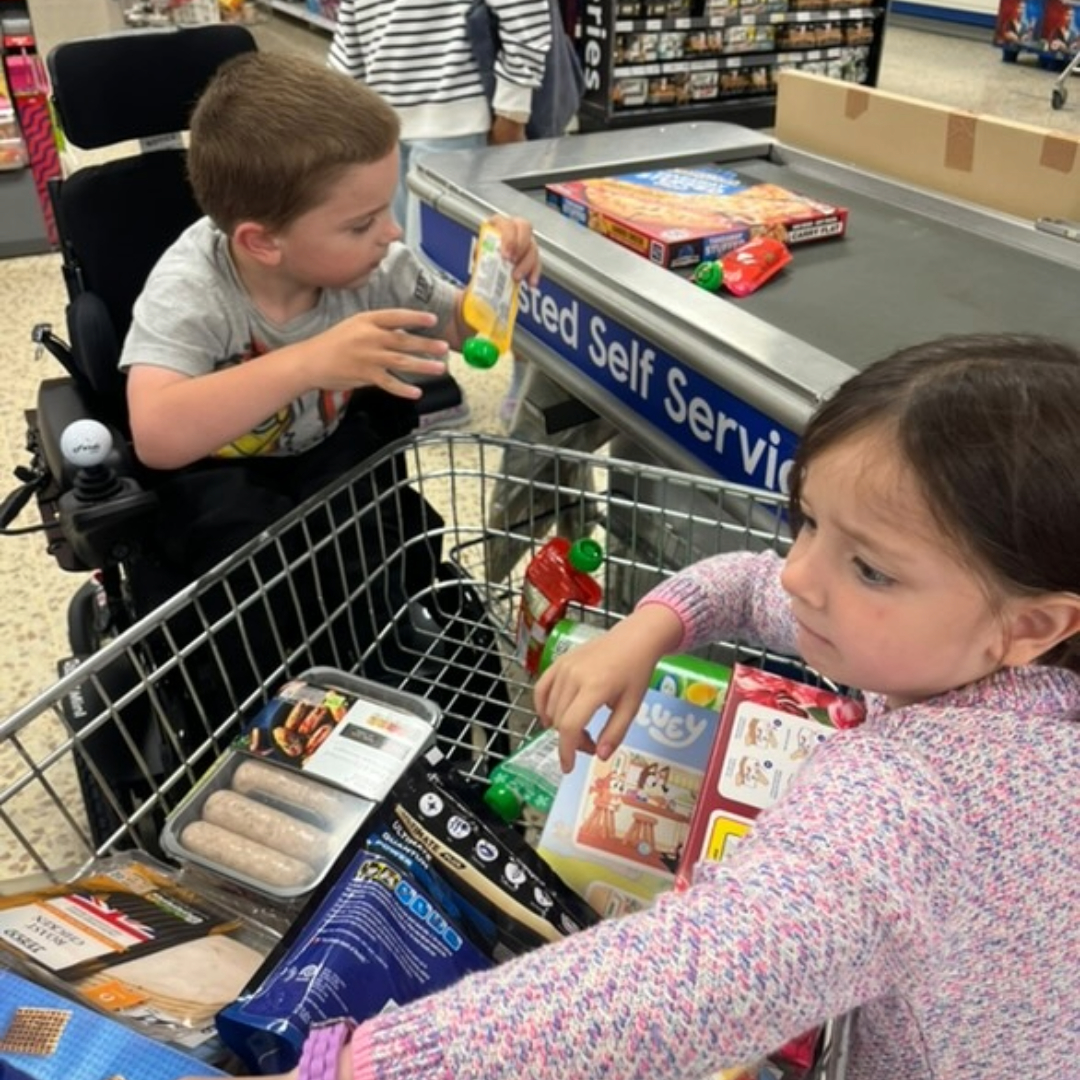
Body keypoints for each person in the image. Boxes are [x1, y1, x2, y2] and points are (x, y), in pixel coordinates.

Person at [187, 333, 1080, 1080]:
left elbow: (684, 986)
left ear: (1032, 624)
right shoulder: (991, 667)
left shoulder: (916, 800)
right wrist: (647, 629)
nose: (802, 574)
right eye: (806, 522)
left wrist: (385, 1063)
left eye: (870, 567)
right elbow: (747, 584)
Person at [120, 51, 540, 611]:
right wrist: (309, 362)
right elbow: (156, 433)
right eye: (362, 223)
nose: (391, 233)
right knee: (258, 581)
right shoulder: (192, 292)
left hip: (329, 465)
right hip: (219, 478)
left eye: (385, 209)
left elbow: (460, 328)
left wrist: (496, 277)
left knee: (391, 550)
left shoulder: (379, 267)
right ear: (263, 242)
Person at [328, 0, 554, 428]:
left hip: (458, 122)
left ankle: (522, 381)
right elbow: (350, 37)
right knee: (391, 263)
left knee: (485, 263)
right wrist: (342, 120)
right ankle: (430, 385)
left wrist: (512, 110)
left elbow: (526, 13)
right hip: (379, 128)